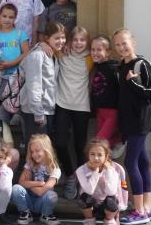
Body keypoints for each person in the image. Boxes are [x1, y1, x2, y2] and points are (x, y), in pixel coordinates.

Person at [114, 28, 151, 225]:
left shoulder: (142, 64)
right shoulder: (121, 66)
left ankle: (139, 211)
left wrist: (132, 82)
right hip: (129, 120)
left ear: (133, 42)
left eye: (124, 43)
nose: (121, 47)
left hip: (140, 120)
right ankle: (147, 207)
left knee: (130, 162)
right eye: (117, 45)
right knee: (142, 161)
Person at [19, 21, 67, 145]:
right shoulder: (37, 55)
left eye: (63, 37)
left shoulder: (52, 54)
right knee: (36, 149)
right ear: (47, 38)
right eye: (57, 38)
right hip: (35, 111)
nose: (61, 41)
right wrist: (38, 113)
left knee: (44, 149)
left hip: (47, 109)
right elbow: (33, 85)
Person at [55, 27, 93, 178]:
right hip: (62, 104)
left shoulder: (91, 58)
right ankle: (71, 175)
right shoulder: (62, 53)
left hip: (82, 106)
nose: (78, 43)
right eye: (75, 39)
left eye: (82, 40)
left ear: (87, 42)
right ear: (70, 41)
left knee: (80, 145)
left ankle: (82, 179)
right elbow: (49, 46)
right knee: (60, 143)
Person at [0, 3, 29, 122]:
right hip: (0, 77)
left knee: (17, 103)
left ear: (15, 18)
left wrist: (11, 63)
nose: (7, 19)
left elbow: (27, 53)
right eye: (4, 16)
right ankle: (4, 130)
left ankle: (17, 127)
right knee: (3, 104)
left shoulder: (20, 34)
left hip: (16, 76)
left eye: (11, 17)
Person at [12, 134, 61, 225]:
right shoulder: (29, 165)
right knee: (16, 188)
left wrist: (28, 183)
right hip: (28, 200)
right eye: (32, 152)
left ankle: (45, 214)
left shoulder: (55, 169)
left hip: (42, 202)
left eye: (37, 151)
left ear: (46, 150)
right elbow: (21, 182)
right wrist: (39, 183)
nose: (34, 154)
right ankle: (25, 212)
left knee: (52, 196)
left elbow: (41, 191)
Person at [77, 138, 121, 225]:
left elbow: (111, 192)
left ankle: (109, 220)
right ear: (88, 155)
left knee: (111, 200)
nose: (96, 158)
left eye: (100, 155)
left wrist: (108, 171)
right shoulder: (81, 170)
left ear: (106, 156)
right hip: (91, 206)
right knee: (84, 198)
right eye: (92, 154)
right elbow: (89, 191)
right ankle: (89, 220)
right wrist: (95, 172)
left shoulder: (113, 170)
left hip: (107, 206)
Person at [90, 35, 122, 154]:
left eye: (99, 50)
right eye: (93, 49)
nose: (95, 53)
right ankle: (116, 141)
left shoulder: (115, 68)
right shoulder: (95, 67)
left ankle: (120, 139)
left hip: (112, 113)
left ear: (108, 52)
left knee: (98, 143)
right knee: (104, 146)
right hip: (99, 112)